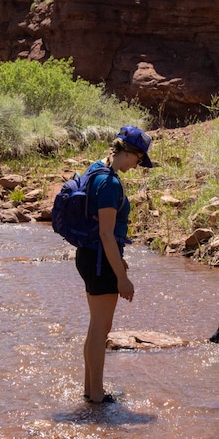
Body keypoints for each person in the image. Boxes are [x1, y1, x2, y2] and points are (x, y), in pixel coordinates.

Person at [75, 125, 155, 404]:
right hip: (99, 261)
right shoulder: (109, 183)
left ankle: (90, 388)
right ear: (130, 152)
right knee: (100, 329)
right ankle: (96, 395)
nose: (137, 166)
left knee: (95, 327)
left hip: (90, 256)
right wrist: (122, 277)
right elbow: (107, 233)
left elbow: (101, 230)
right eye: (138, 160)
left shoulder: (96, 168)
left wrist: (117, 258)